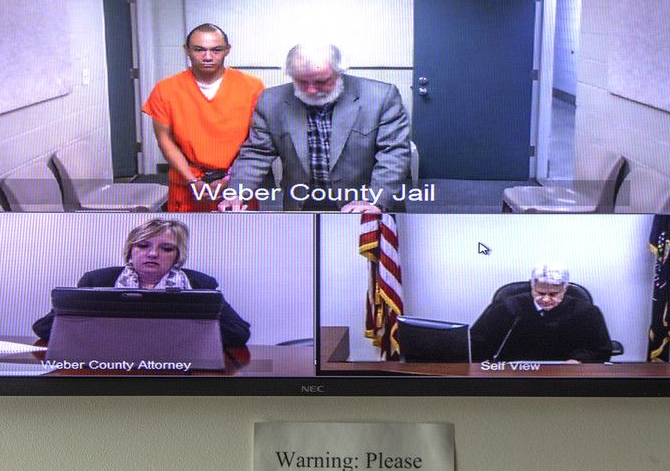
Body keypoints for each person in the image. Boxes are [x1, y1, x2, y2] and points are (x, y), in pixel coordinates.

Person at [219, 43, 411, 212]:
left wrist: (374, 201)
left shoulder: (381, 96)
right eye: (302, 81)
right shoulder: (271, 100)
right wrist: (236, 193)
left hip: (363, 202)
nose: (311, 90)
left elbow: (393, 153)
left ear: (339, 71)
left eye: (322, 81)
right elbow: (256, 153)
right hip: (302, 202)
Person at [31, 218, 250, 348]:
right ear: (130, 251)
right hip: (111, 360)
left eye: (166, 249)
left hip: (177, 360)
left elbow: (239, 333)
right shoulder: (98, 280)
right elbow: (44, 329)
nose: (153, 254)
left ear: (178, 255)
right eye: (143, 246)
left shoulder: (200, 283)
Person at [142, 24, 264, 212]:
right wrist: (193, 180)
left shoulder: (251, 86)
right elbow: (164, 139)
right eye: (199, 50)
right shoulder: (166, 89)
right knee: (185, 238)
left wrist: (230, 179)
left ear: (227, 50)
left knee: (241, 237)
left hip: (237, 182)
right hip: (186, 182)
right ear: (187, 50)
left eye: (216, 50)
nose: (208, 57)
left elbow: (257, 140)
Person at [469, 263, 613, 363]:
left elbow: (601, 349)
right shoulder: (506, 308)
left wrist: (578, 360)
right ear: (531, 286)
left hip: (566, 376)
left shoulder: (584, 311)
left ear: (565, 288)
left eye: (553, 294)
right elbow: (477, 343)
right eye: (540, 292)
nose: (545, 299)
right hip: (512, 375)